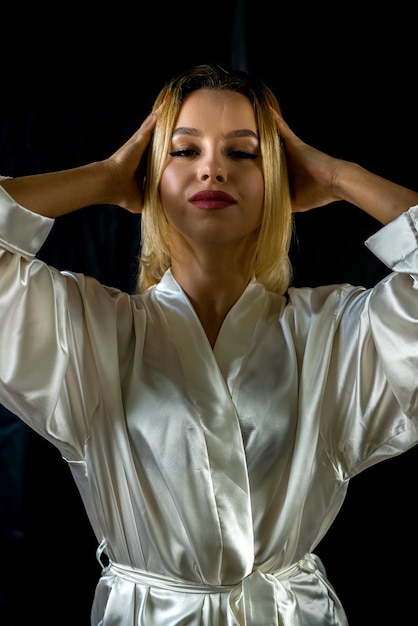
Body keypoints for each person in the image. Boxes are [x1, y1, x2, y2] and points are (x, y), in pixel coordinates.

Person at [0, 62, 417, 626]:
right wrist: (103, 176)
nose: (214, 168)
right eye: (184, 151)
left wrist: (342, 178)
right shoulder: (89, 332)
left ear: (276, 177)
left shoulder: (333, 333)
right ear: (150, 175)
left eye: (243, 153)